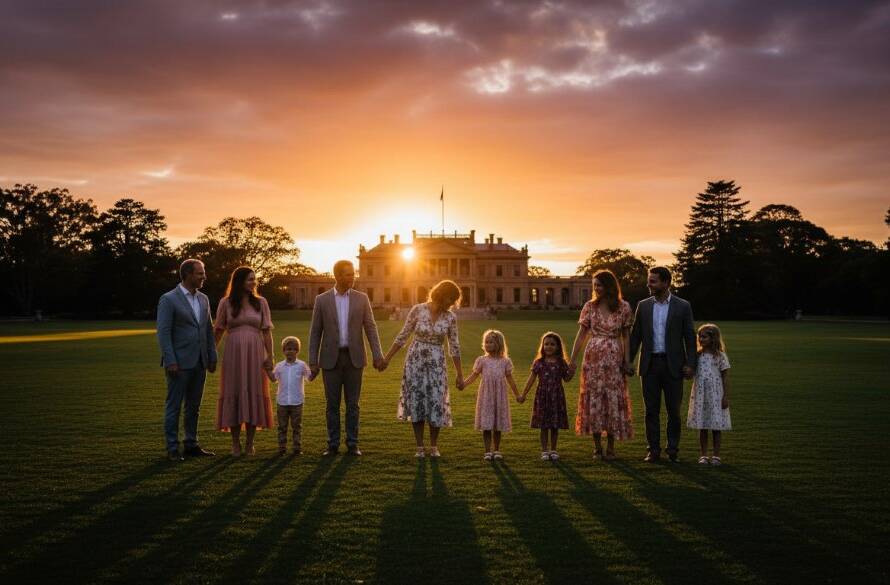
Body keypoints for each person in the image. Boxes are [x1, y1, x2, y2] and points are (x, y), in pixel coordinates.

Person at [308, 260, 384, 456]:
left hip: (354, 358)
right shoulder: (322, 300)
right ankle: (332, 445)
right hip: (330, 359)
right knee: (331, 405)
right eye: (348, 274)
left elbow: (371, 328)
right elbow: (315, 332)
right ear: (337, 276)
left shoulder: (362, 298)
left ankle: (352, 444)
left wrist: (378, 355)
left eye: (353, 274)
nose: (352, 277)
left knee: (353, 404)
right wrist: (313, 361)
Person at [381, 280, 464, 458]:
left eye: (454, 300)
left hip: (437, 363)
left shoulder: (450, 318)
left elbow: (454, 346)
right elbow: (403, 336)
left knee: (436, 401)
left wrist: (459, 374)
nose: (452, 303)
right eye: (451, 298)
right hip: (415, 360)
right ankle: (419, 447)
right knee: (417, 400)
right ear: (441, 294)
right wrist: (387, 359)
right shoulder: (418, 310)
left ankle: (434, 447)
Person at [628, 266, 697, 463]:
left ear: (666, 283)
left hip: (674, 365)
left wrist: (691, 364)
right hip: (649, 365)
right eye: (649, 281)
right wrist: (628, 361)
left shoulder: (683, 306)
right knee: (651, 410)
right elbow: (636, 337)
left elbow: (689, 338)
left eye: (653, 281)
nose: (649, 284)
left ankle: (673, 449)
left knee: (674, 410)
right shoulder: (643, 305)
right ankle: (654, 450)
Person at [569, 269, 634, 460]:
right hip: (593, 359)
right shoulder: (590, 307)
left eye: (600, 285)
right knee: (594, 398)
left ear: (609, 286)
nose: (596, 288)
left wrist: (627, 360)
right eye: (594, 285)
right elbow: (581, 334)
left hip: (614, 357)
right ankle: (597, 447)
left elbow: (626, 336)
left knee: (613, 399)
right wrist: (572, 359)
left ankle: (611, 447)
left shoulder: (623, 307)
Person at [157, 259, 217, 461]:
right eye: (200, 273)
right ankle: (172, 448)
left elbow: (208, 329)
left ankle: (191, 444)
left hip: (200, 362)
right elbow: (163, 333)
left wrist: (212, 356)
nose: (204, 277)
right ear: (187, 274)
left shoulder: (204, 299)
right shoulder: (168, 299)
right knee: (174, 406)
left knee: (194, 407)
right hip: (178, 363)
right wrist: (170, 360)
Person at [214, 266, 275, 456]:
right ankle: (235, 444)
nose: (254, 282)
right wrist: (210, 353)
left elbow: (266, 332)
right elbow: (218, 331)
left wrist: (270, 356)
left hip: (255, 354)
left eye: (255, 279)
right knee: (234, 391)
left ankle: (249, 443)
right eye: (250, 279)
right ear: (239, 281)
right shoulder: (225, 303)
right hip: (233, 353)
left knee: (253, 391)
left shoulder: (261, 302)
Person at [462, 330, 521, 461]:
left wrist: (518, 395)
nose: (487, 345)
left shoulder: (505, 361)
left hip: (500, 396)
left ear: (498, 343)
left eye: (491, 342)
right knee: (487, 423)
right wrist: (464, 384)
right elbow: (474, 376)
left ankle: (497, 449)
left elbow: (510, 379)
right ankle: (487, 451)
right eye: (486, 342)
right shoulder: (482, 360)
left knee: (497, 424)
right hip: (486, 395)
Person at [521, 331, 572, 461]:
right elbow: (531, 379)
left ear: (558, 347)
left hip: (556, 396)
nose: (549, 347)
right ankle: (544, 450)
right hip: (542, 396)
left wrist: (572, 371)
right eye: (546, 344)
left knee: (554, 425)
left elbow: (566, 379)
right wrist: (524, 393)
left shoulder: (561, 362)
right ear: (542, 346)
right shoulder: (539, 362)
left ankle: (553, 449)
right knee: (543, 426)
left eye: (552, 344)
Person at [686, 324, 732, 465]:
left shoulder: (720, 356)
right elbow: (691, 372)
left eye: (704, 336)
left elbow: (725, 377)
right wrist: (686, 369)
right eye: (699, 336)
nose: (700, 339)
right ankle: (704, 455)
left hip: (716, 395)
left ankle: (716, 455)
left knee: (716, 426)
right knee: (703, 426)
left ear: (713, 338)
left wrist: (725, 397)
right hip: (701, 395)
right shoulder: (697, 356)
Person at [268, 336, 314, 456]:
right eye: (288, 349)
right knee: (282, 427)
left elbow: (310, 377)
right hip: (282, 402)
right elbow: (273, 379)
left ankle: (297, 448)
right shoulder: (279, 366)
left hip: (297, 402)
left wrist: (316, 370)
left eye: (294, 349)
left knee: (296, 426)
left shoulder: (302, 365)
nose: (291, 351)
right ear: (283, 350)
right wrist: (267, 370)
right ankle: (281, 448)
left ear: (297, 351)